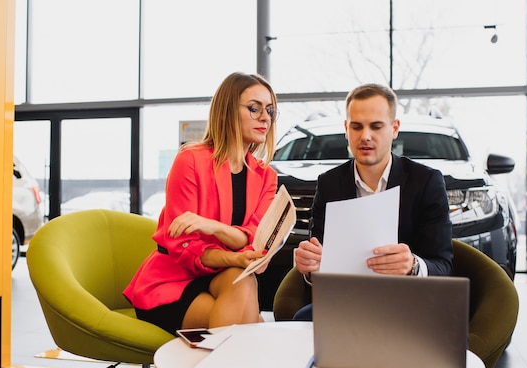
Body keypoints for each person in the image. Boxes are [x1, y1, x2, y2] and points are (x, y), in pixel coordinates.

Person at [123, 72, 279, 336]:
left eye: (270, 110)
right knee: (245, 322)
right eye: (254, 109)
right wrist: (235, 255)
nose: (265, 118)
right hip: (173, 282)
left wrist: (212, 227)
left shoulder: (266, 176)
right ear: (227, 111)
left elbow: (255, 239)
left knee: (242, 283)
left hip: (224, 279)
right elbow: (183, 245)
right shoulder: (191, 160)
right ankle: (234, 366)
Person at [292, 83, 454, 321]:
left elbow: (444, 266)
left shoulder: (426, 182)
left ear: (394, 128)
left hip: (408, 303)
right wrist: (311, 267)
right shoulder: (329, 184)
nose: (365, 136)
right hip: (348, 302)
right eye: (356, 127)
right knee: (300, 322)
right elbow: (320, 263)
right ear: (346, 129)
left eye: (376, 126)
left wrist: (412, 266)